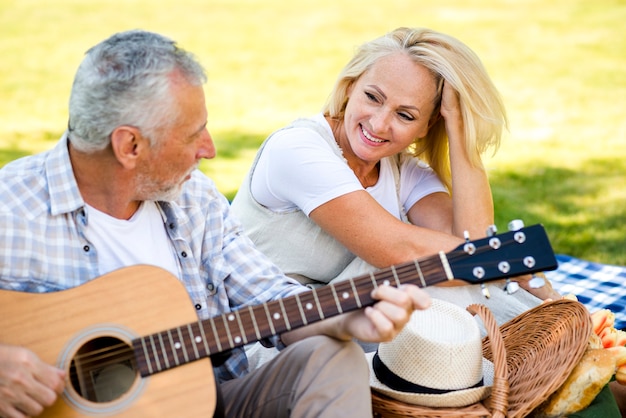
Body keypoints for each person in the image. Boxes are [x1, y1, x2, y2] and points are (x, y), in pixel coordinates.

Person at [0, 30, 430, 418]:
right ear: (129, 145)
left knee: (331, 357)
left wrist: (345, 321)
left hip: (207, 401)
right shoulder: (12, 208)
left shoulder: (194, 199)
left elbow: (268, 296)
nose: (209, 149)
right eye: (193, 134)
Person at [231, 26, 561, 329]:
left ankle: (564, 341)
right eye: (372, 97)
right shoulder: (298, 149)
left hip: (345, 323)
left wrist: (459, 126)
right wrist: (510, 259)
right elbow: (398, 248)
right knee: (414, 276)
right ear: (349, 87)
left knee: (450, 283)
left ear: (427, 126)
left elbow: (470, 243)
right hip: (266, 336)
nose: (378, 124)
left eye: (405, 115)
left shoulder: (402, 169)